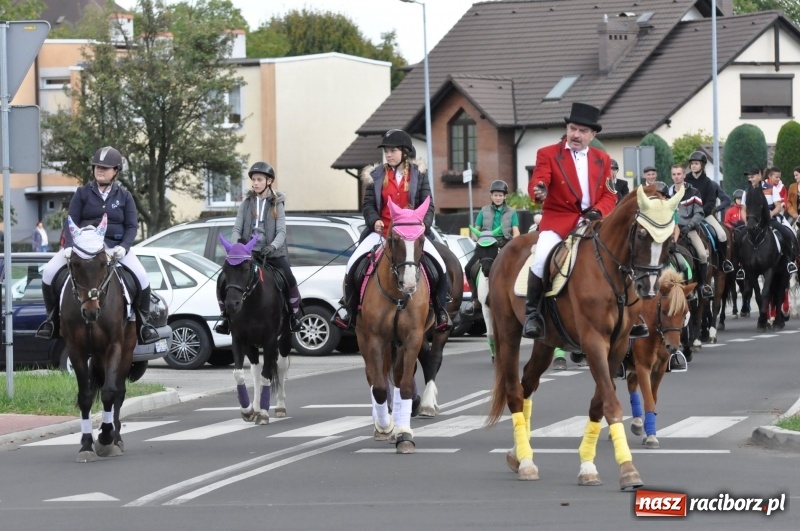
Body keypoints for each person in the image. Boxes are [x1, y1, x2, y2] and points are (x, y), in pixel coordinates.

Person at [35, 146, 159, 344]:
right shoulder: (82, 193)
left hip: (114, 248)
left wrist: (124, 247)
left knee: (142, 278)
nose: (100, 170)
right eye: (97, 167)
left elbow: (131, 226)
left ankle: (143, 325)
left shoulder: (124, 196)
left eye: (105, 167)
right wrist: (68, 245)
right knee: (48, 272)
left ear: (115, 171)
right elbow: (71, 221)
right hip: (83, 249)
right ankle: (52, 321)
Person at [333, 129, 451, 332]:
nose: (388, 154)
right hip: (382, 232)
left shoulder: (418, 175)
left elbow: (428, 204)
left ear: (405, 152)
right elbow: (368, 205)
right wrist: (374, 221)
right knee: (352, 265)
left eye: (392, 150)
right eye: (386, 151)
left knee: (439, 265)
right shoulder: (376, 176)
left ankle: (440, 310)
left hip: (413, 234)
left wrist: (425, 224)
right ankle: (349, 309)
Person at [522, 102, 619, 339]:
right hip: (559, 220)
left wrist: (598, 211)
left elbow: (610, 195)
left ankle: (630, 313)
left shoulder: (603, 159)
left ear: (593, 135)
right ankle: (533, 313)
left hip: (592, 221)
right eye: (573, 128)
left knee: (620, 255)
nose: (576, 135)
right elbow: (538, 181)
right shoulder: (548, 153)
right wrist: (540, 190)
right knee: (542, 257)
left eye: (582, 131)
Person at [214, 161, 303, 334]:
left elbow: (282, 231)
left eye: (259, 179)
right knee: (222, 279)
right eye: (253, 180)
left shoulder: (277, 204)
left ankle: (294, 316)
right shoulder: (246, 203)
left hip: (271, 252)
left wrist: (272, 246)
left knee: (289, 279)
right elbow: (237, 228)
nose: (255, 183)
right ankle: (225, 316)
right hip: (248, 253)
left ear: (268, 181)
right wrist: (236, 248)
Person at [462, 179, 520, 314]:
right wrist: (480, 239)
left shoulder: (512, 212)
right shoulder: (483, 211)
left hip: (504, 243)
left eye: (500, 195)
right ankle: (475, 299)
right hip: (486, 244)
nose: (498, 198)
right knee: (469, 267)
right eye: (495, 195)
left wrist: (513, 243)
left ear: (505, 196)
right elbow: (475, 230)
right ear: (491, 196)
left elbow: (516, 231)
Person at [684, 151, 734, 273]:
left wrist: (700, 214)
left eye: (696, 163)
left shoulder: (708, 182)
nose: (693, 166)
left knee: (722, 234)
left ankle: (723, 262)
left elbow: (711, 202)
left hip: (705, 215)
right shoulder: (685, 181)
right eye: (692, 164)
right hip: (687, 216)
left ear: (702, 165)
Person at [743, 167, 799, 274]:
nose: (751, 179)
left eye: (753, 176)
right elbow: (743, 209)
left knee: (787, 234)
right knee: (739, 238)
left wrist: (770, 214)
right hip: (753, 222)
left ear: (760, 175)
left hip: (770, 220)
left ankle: (789, 262)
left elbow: (778, 206)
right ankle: (740, 266)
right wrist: (746, 220)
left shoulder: (771, 188)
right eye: (749, 177)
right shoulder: (746, 191)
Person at [671, 165, 713, 299]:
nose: (676, 176)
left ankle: (703, 285)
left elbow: (699, 213)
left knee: (702, 254)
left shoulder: (694, 192)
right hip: (671, 230)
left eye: (679, 174)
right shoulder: (667, 193)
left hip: (689, 230)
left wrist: (689, 226)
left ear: (684, 175)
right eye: (674, 174)